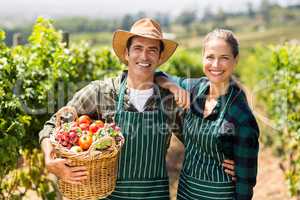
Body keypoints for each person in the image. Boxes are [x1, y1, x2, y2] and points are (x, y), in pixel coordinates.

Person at [39, 18, 235, 199]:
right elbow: (51, 125)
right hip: (110, 195)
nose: (144, 56)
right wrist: (49, 160)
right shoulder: (102, 92)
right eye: (138, 48)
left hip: (154, 195)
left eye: (152, 50)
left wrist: (234, 161)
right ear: (126, 53)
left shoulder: (169, 99)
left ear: (159, 57)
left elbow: (197, 139)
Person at [156, 29, 259, 199]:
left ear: (236, 60)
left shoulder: (241, 116)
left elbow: (245, 185)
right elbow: (158, 75)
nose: (216, 65)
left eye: (224, 58)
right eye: (210, 57)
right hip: (186, 193)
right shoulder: (195, 89)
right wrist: (173, 86)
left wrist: (240, 170)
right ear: (203, 57)